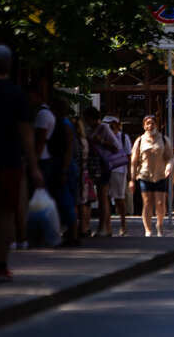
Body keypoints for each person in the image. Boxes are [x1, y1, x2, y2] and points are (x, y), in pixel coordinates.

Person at [0, 45, 44, 282]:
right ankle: (1, 266)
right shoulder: (16, 95)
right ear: (10, 66)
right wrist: (33, 166)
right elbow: (25, 133)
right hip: (9, 161)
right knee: (5, 215)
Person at [129, 115, 174, 237]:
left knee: (160, 203)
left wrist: (168, 168)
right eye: (147, 123)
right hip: (144, 175)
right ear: (144, 126)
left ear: (156, 125)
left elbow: (170, 157)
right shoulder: (139, 141)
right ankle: (148, 230)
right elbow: (133, 162)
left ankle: (159, 224)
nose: (150, 126)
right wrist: (132, 179)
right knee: (147, 202)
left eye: (152, 123)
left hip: (160, 175)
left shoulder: (164, 140)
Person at [82, 106, 120, 237]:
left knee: (102, 196)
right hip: (93, 164)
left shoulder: (103, 128)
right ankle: (94, 226)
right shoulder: (90, 128)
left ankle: (102, 227)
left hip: (102, 164)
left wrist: (102, 141)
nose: (86, 120)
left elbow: (116, 146)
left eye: (87, 118)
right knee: (94, 195)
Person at [48, 97, 79, 246]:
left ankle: (73, 232)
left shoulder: (64, 125)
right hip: (64, 166)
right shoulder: (63, 123)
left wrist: (64, 171)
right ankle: (70, 232)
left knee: (68, 199)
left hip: (66, 166)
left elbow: (68, 150)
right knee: (67, 199)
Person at [104, 115, 130, 236]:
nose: (108, 127)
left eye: (111, 125)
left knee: (119, 198)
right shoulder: (102, 136)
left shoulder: (123, 137)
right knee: (104, 198)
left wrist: (130, 174)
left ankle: (123, 224)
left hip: (119, 170)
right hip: (104, 168)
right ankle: (107, 226)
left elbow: (128, 155)